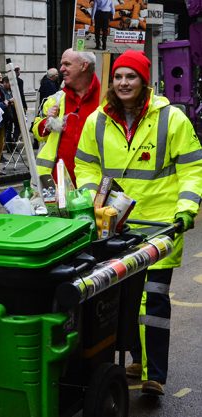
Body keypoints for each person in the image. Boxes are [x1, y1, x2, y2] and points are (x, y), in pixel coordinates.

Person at [75, 49, 202, 396]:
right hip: (115, 226)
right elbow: (85, 166)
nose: (123, 82)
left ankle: (154, 373)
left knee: (153, 299)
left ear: (144, 81)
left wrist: (186, 209)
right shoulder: (97, 120)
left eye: (131, 76)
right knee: (119, 300)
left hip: (161, 225)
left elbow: (192, 169)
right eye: (118, 76)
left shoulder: (171, 119)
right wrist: (92, 200)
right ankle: (136, 358)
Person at [32, 49, 100, 186]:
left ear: (84, 66)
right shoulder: (56, 99)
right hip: (57, 186)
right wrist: (48, 122)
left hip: (93, 186)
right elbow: (38, 133)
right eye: (62, 64)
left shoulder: (106, 100)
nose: (61, 69)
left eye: (67, 64)